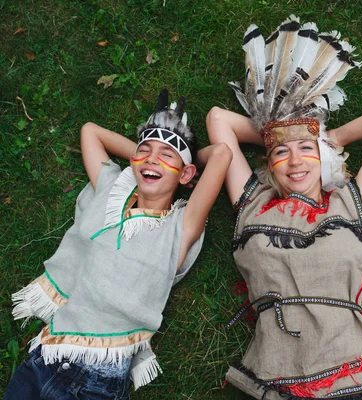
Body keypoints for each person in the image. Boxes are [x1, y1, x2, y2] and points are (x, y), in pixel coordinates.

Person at [207, 15, 362, 400]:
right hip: (275, 375)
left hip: (351, 374)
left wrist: (329, 136)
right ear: (269, 163)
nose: (296, 160)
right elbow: (218, 120)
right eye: (281, 153)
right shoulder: (251, 203)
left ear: (324, 159)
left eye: (305, 151)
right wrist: (280, 129)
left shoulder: (353, 200)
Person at [5, 89, 232, 399]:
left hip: (97, 379)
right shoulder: (112, 188)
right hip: (45, 354)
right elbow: (91, 132)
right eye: (145, 150)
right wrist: (145, 156)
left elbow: (221, 154)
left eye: (166, 155)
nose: (153, 158)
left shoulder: (180, 227)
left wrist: (189, 163)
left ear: (186, 173)